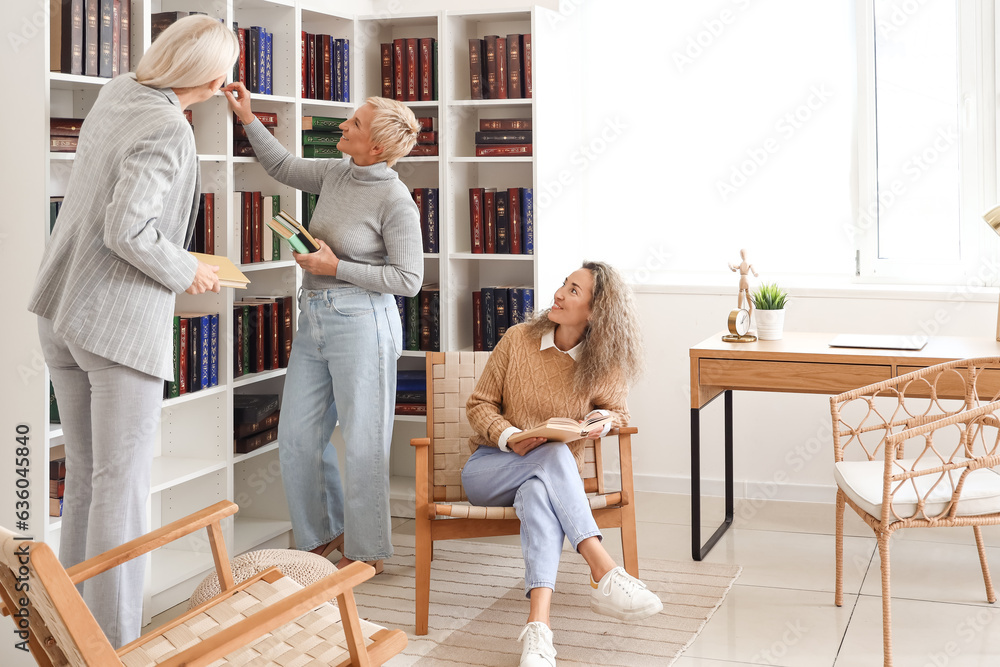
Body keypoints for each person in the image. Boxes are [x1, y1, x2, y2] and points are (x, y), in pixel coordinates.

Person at [28, 15, 239, 647]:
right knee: (120, 489)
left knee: (91, 478)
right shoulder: (168, 127)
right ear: (213, 76)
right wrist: (189, 270)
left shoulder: (119, 91)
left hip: (63, 309)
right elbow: (130, 231)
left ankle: (67, 634)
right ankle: (113, 646)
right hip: (115, 324)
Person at [223, 84, 422, 572]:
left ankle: (367, 550)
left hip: (363, 324)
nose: (343, 126)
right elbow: (283, 166)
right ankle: (323, 534)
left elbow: (409, 280)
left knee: (364, 441)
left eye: (354, 123)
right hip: (313, 317)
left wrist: (337, 269)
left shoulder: (396, 200)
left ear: (376, 146)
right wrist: (248, 117)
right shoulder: (337, 172)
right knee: (295, 439)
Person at [463, 261, 662, 667]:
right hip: (489, 468)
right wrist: (510, 436)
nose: (558, 294)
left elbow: (617, 412)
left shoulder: (602, 362)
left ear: (595, 312)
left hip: (545, 482)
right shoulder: (517, 339)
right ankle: (603, 569)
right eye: (564, 285)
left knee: (538, 493)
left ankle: (539, 632)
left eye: (574, 291)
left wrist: (601, 421)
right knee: (553, 454)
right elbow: (480, 404)